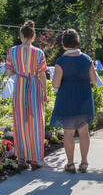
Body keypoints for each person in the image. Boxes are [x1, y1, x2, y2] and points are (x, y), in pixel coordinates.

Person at [50, 29, 97, 173]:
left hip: (67, 98)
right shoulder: (87, 59)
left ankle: (70, 164)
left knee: (68, 133)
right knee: (84, 132)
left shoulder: (61, 61)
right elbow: (94, 80)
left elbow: (56, 84)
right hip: (83, 97)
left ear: (64, 43)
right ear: (77, 41)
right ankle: (84, 163)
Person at [5, 20, 47, 171]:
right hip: (35, 88)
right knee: (36, 124)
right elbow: (42, 75)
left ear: (21, 35)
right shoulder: (39, 53)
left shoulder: (13, 51)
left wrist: (18, 70)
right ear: (33, 36)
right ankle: (35, 158)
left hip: (20, 88)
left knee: (20, 123)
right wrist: (45, 92)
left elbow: (9, 72)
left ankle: (22, 159)